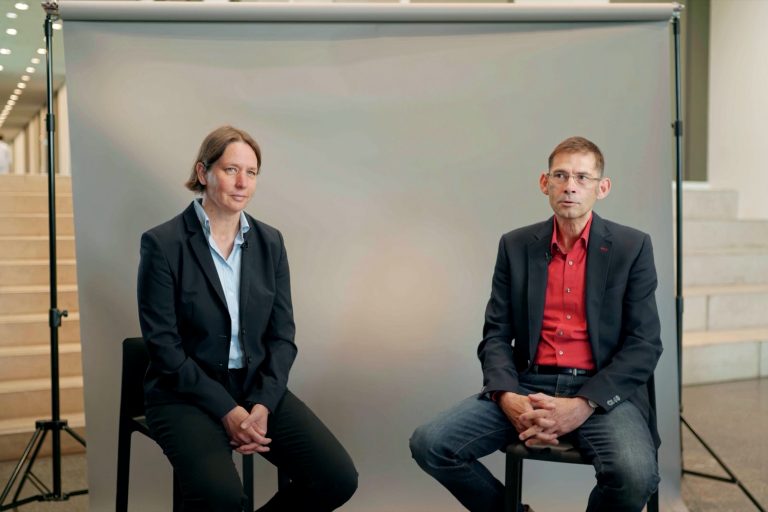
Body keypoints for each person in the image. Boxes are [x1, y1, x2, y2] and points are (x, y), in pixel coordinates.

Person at [410, 136, 662, 512]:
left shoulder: (632, 246)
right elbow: (496, 335)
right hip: (528, 384)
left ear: (603, 188)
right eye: (560, 175)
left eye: (582, 177)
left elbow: (644, 344)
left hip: (600, 390)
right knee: (431, 444)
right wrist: (506, 395)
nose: (570, 186)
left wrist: (584, 403)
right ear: (545, 183)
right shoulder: (515, 246)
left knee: (635, 475)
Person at [137, 126, 357, 512]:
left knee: (336, 479)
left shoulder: (270, 242)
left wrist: (263, 404)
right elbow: (164, 347)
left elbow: (282, 337)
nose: (242, 183)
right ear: (203, 172)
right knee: (221, 499)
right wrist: (227, 409)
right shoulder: (163, 244)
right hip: (186, 394)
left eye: (251, 173)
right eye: (231, 170)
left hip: (256, 388)